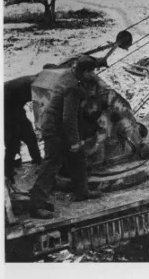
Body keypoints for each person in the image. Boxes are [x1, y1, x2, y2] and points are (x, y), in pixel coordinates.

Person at [28, 56, 103, 219]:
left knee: (77, 159)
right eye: (92, 72)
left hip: (58, 126)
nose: (93, 75)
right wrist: (75, 142)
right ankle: (36, 206)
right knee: (51, 166)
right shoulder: (72, 87)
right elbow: (68, 119)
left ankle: (82, 192)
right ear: (85, 72)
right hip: (55, 129)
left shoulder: (70, 74)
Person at [4, 74, 42, 185]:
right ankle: (7, 172)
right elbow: (37, 106)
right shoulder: (36, 84)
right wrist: (39, 125)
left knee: (28, 138)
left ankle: (37, 161)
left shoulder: (33, 79)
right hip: (6, 110)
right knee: (14, 143)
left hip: (13, 108)